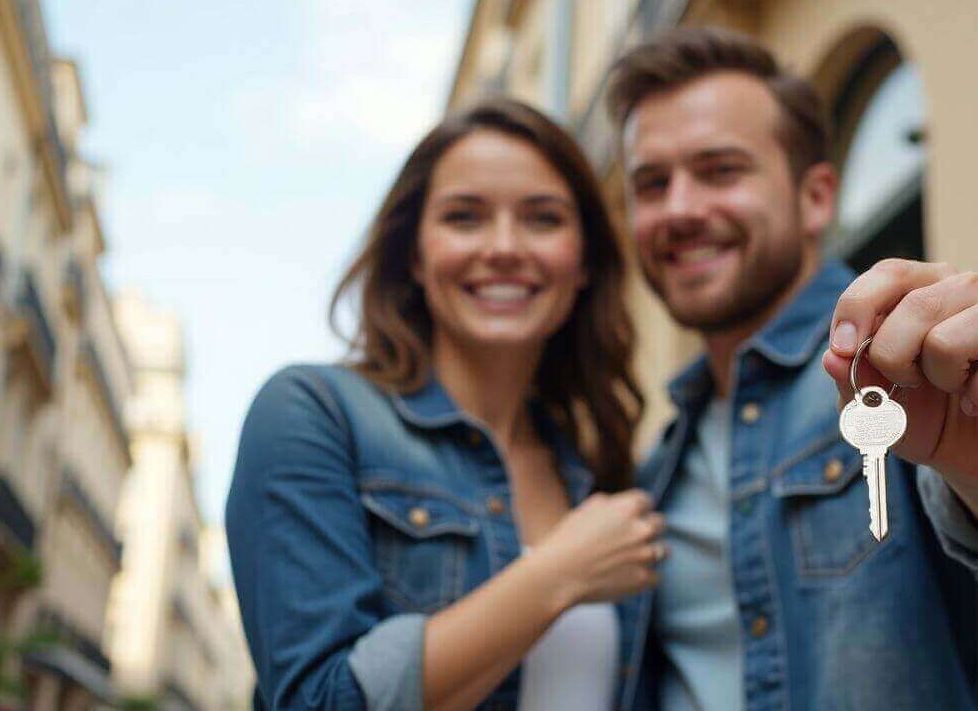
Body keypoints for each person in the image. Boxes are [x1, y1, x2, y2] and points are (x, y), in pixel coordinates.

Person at [605, 27, 978, 710]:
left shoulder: (898, 363)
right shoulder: (658, 465)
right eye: (652, 183)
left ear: (816, 198)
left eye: (720, 170)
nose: (679, 208)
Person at [226, 99, 669, 710]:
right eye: (465, 218)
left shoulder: (596, 473)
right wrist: (556, 576)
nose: (505, 247)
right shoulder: (313, 413)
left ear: (585, 260)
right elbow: (315, 701)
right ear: (415, 254)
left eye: (543, 219)